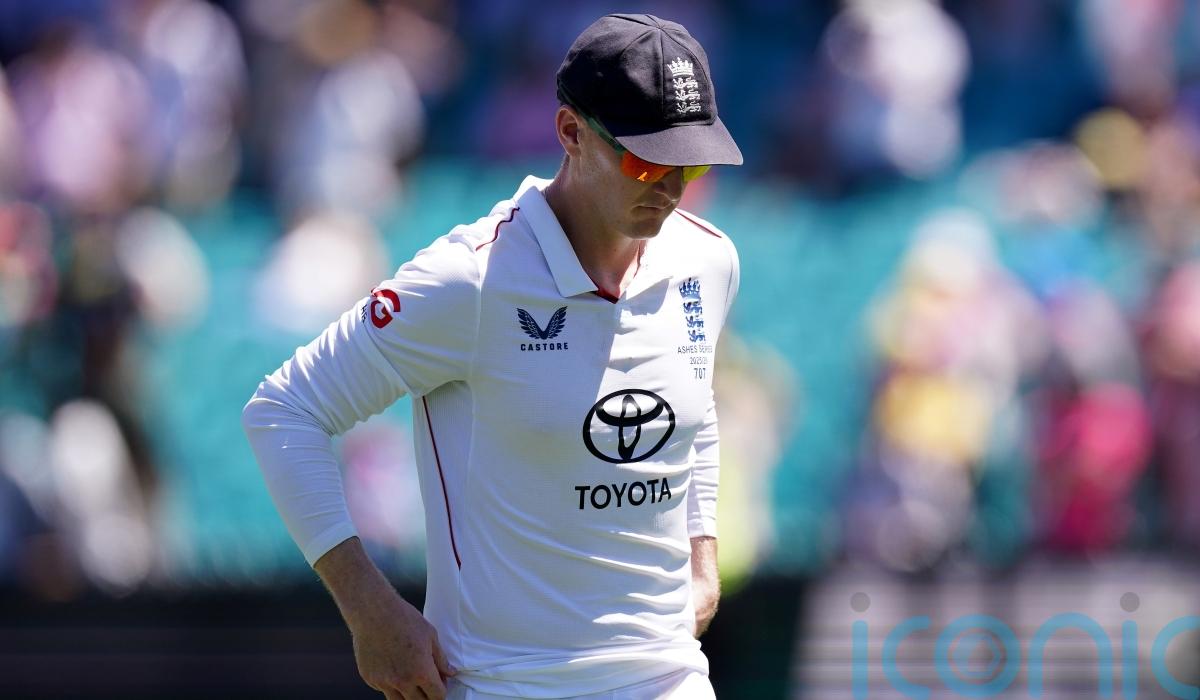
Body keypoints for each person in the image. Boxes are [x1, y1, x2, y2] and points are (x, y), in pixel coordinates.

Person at [242, 13, 743, 700]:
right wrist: (369, 609)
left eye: (689, 163)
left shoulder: (709, 260)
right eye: (645, 160)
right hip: (506, 684)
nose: (670, 186)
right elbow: (283, 410)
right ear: (571, 133)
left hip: (669, 678)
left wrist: (703, 552)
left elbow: (694, 407)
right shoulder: (469, 279)